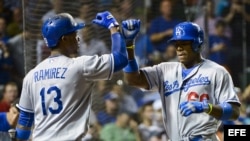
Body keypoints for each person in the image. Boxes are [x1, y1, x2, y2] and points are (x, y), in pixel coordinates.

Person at [14, 11, 128, 140]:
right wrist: (114, 27)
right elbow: (120, 59)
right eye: (74, 33)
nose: (78, 37)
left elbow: (24, 123)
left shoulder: (31, 76)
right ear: (64, 39)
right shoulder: (79, 66)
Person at [121, 19, 241, 140]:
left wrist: (206, 107)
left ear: (197, 43)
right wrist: (129, 46)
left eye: (184, 43)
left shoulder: (216, 71)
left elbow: (234, 112)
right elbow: (133, 80)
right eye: (176, 43)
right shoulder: (164, 70)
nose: (178, 48)